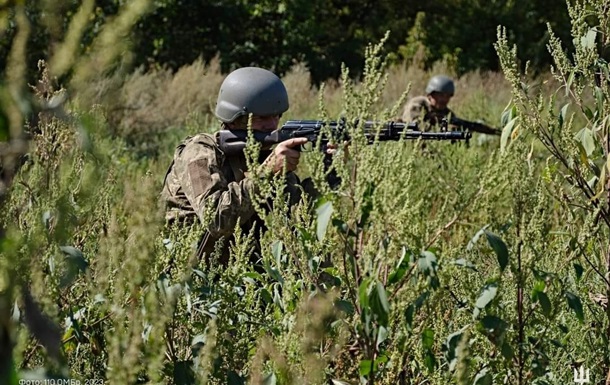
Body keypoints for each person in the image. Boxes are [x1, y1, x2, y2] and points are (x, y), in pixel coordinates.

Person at [161, 67, 315, 264]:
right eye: (261, 118)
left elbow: (299, 214)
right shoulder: (199, 152)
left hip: (241, 272)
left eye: (276, 116)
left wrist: (332, 168)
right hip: (190, 276)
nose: (272, 125)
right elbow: (215, 220)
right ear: (234, 120)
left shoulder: (260, 154)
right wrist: (266, 172)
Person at [401, 75, 500, 135]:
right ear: (430, 94)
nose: (444, 99)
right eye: (440, 95)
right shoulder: (418, 104)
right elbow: (413, 127)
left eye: (447, 96)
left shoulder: (447, 113)